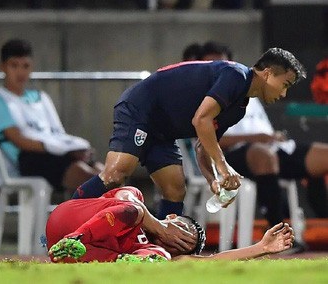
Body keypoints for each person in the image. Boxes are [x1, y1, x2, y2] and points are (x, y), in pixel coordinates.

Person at [71, 47, 306, 224]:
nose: (284, 93)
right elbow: (200, 120)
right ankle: (64, 222)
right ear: (267, 74)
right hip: (140, 109)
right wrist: (224, 168)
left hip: (163, 130)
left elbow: (203, 144)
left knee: (175, 189)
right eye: (285, 84)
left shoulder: (239, 107)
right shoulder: (236, 75)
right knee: (115, 174)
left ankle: (164, 253)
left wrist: (213, 179)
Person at [200, 42, 328, 229]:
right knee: (263, 155)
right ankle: (277, 229)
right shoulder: (206, 96)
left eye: (223, 62)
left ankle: (323, 220)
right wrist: (255, 138)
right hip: (234, 155)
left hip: (273, 148)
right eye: (212, 62)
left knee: (322, 157)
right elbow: (206, 139)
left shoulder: (248, 90)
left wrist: (269, 137)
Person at [47, 185, 295, 263]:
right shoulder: (136, 201)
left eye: (186, 244)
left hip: (75, 256)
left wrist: (260, 248)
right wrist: (158, 227)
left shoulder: (157, 251)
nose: (182, 240)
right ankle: (76, 238)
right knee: (134, 210)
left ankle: (123, 263)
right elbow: (127, 202)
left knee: (158, 258)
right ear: (172, 218)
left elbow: (210, 261)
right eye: (185, 230)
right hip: (69, 221)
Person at [0, 39, 104, 193]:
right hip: (25, 160)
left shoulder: (40, 97)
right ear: (3, 67)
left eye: (25, 66)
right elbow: (20, 141)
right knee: (87, 175)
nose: (20, 72)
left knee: (103, 170)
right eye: (14, 65)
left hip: (53, 153)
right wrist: (63, 149)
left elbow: (58, 134)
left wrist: (75, 148)